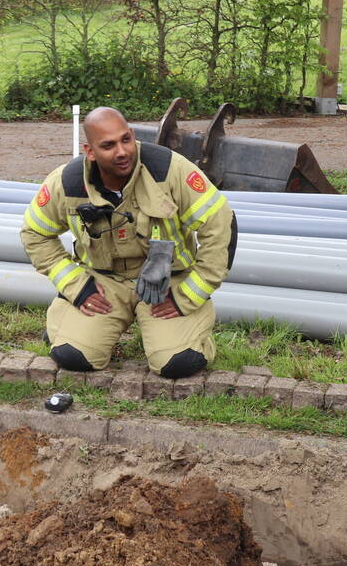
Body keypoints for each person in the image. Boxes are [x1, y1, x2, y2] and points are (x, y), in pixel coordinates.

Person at [20, 107, 237, 379]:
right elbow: (34, 233)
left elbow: (221, 225)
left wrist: (187, 296)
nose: (122, 151)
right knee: (73, 357)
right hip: (104, 282)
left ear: (132, 135)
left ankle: (193, 333)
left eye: (125, 139)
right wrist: (77, 286)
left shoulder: (170, 170)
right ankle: (68, 326)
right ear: (90, 151)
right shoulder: (67, 183)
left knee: (178, 363)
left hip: (168, 282)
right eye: (108, 145)